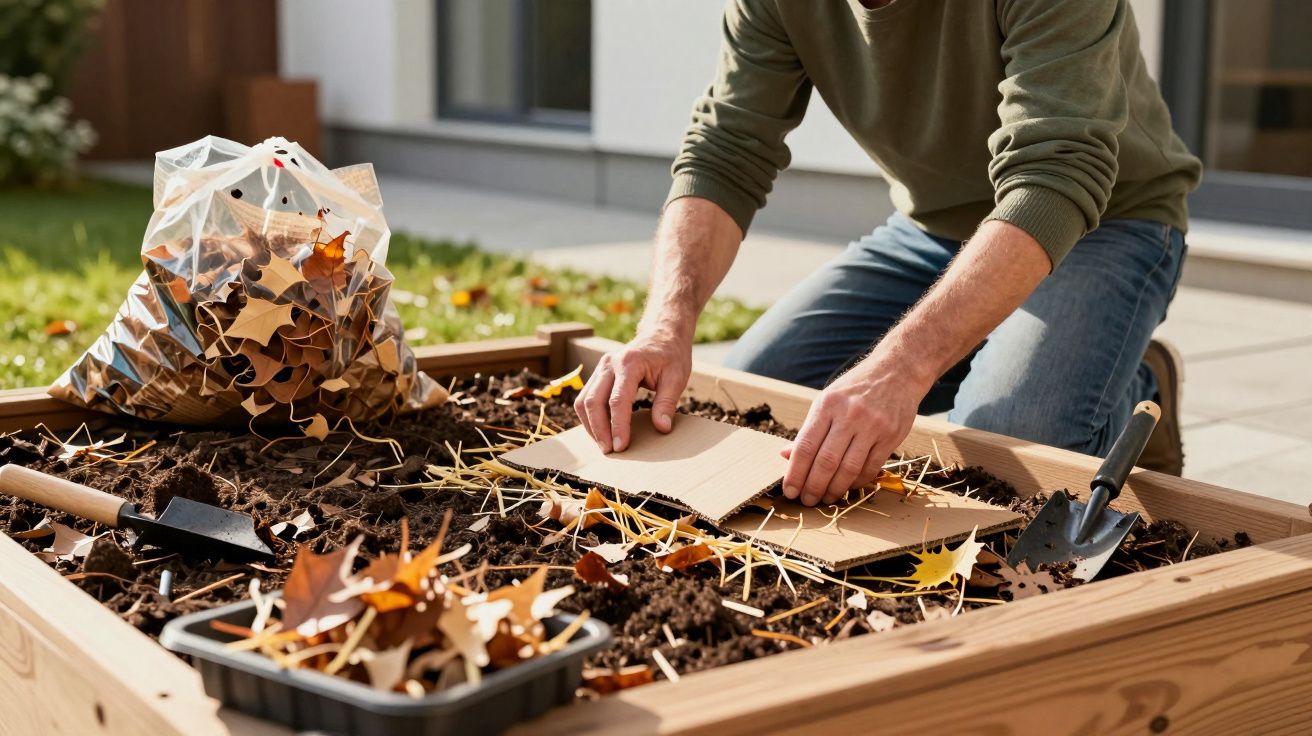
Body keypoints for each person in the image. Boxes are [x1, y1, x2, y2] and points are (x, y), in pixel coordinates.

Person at [574, 0, 1201, 507]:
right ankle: (1011, 353)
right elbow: (726, 150)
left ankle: (1134, 390)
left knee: (1007, 441)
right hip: (933, 230)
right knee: (757, 400)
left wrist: (902, 368)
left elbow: (1055, 178)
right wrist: (665, 326)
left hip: (1107, 221)